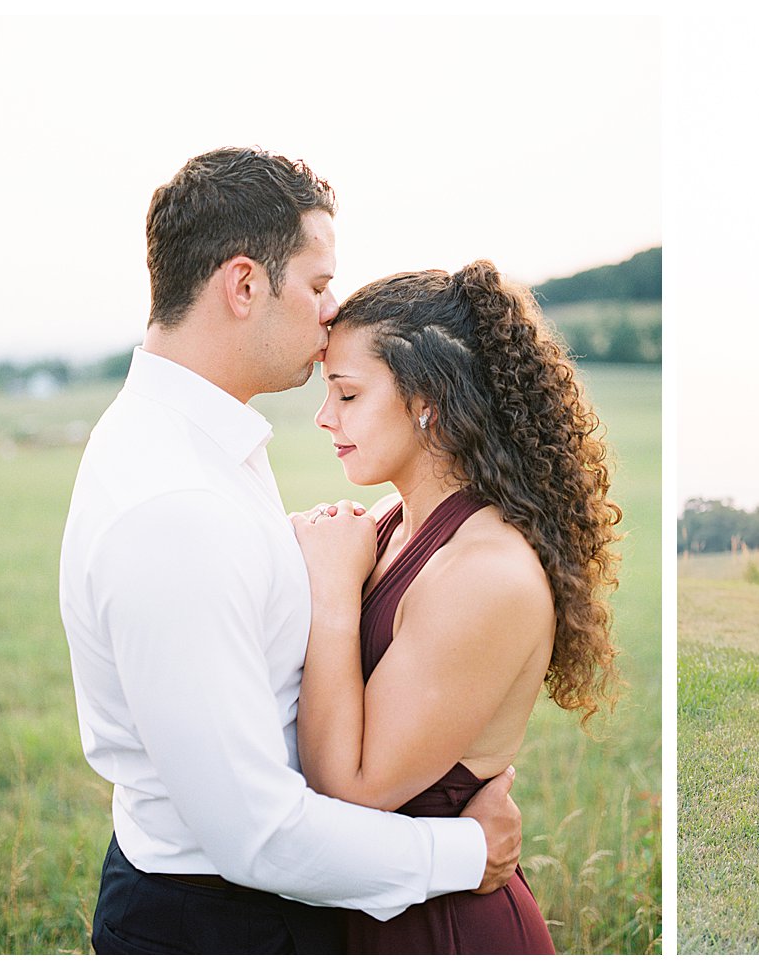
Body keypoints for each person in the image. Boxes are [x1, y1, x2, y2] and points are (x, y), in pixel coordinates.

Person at [59, 148, 521, 955]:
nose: (331, 310)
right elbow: (258, 835)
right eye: (316, 284)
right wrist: (469, 851)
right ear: (244, 286)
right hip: (218, 921)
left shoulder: (199, 444)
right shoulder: (175, 507)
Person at [290, 260, 622, 954]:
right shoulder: (384, 522)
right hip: (373, 912)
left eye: (347, 395)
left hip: (445, 932)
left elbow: (350, 789)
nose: (325, 417)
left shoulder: (486, 573)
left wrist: (331, 596)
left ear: (426, 400)